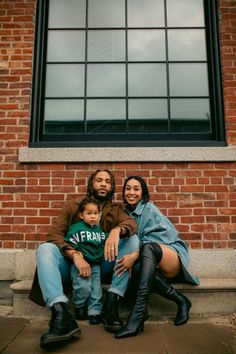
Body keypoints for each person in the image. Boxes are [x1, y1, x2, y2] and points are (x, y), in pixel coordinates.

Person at [29, 170, 139, 348]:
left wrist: (117, 230)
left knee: (133, 239)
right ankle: (61, 313)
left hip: (103, 263)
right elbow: (54, 234)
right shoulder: (73, 205)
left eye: (108, 182)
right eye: (99, 180)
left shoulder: (117, 209)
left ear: (112, 188)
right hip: (71, 265)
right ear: (91, 184)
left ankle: (111, 303)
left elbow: (132, 224)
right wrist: (74, 255)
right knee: (45, 249)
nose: (103, 184)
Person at [115, 176, 199, 339]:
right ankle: (181, 300)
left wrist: (135, 254)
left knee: (147, 247)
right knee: (137, 267)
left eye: (136, 189)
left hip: (170, 256)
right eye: (128, 188)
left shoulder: (149, 209)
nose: (131, 192)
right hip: (149, 264)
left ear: (143, 192)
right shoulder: (124, 213)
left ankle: (138, 313)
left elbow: (163, 238)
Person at [63, 197, 106, 325]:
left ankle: (94, 312)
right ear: (81, 215)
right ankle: (79, 306)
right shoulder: (76, 228)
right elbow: (68, 243)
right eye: (89, 213)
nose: (93, 216)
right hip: (80, 265)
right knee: (83, 286)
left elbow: (103, 244)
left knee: (96, 290)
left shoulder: (99, 231)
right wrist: (77, 255)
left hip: (96, 265)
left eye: (95, 213)